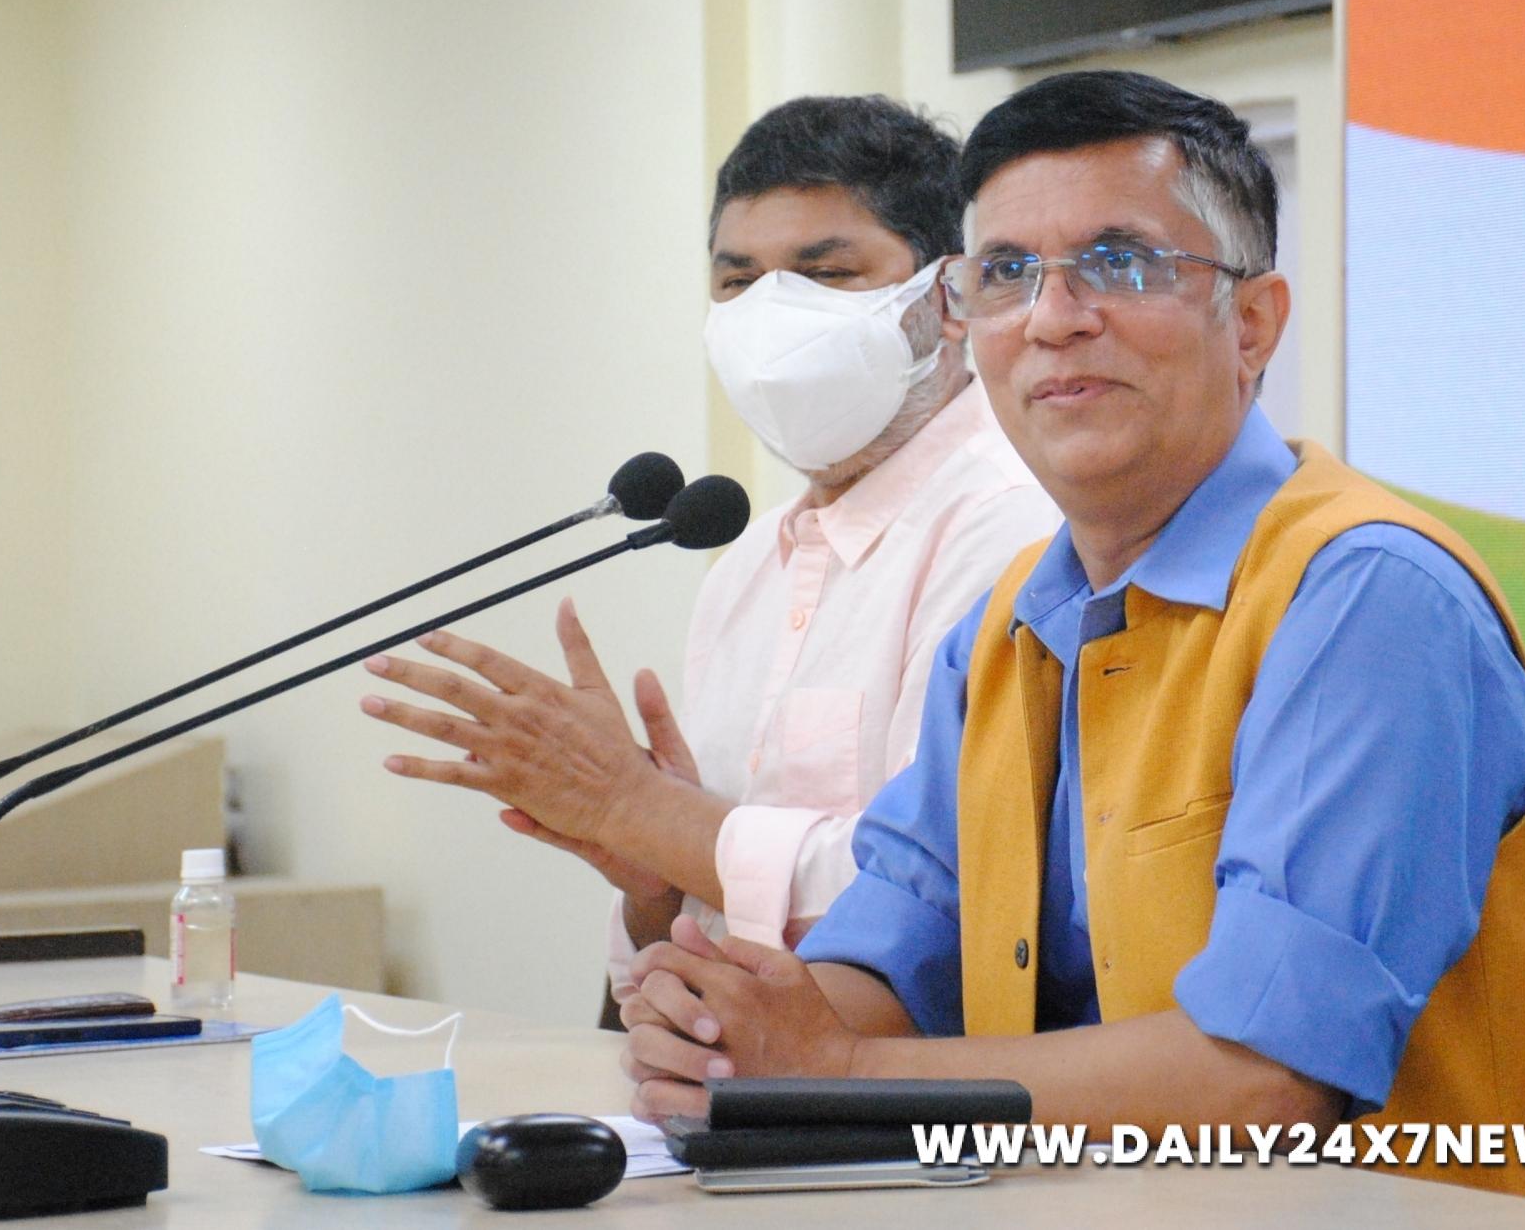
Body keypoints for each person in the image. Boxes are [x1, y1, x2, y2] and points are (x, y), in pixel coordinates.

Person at [615, 71, 1525, 1214]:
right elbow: (893, 958)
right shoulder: (1002, 629)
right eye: (1005, 273)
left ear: (1251, 325)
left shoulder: (1365, 600)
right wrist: (726, 1026)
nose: (1051, 318)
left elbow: (1260, 1081)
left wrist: (837, 1072)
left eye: (1119, 262)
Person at [359, 95, 1058, 1004]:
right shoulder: (746, 564)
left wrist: (643, 809)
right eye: (738, 283)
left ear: (949, 297)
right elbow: (695, 915)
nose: (773, 316)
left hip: (908, 1081)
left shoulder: (1013, 530)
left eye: (826, 273)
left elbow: (941, 887)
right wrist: (651, 874)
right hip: (720, 1069)